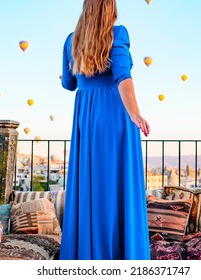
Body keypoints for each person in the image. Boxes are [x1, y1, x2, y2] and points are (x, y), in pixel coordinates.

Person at [59, 0, 150, 260]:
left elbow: (69, 84)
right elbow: (123, 75)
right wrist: (134, 112)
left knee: (90, 183)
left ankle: (88, 255)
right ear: (110, 8)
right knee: (118, 185)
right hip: (116, 115)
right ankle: (123, 254)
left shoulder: (70, 40)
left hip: (87, 119)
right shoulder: (117, 33)